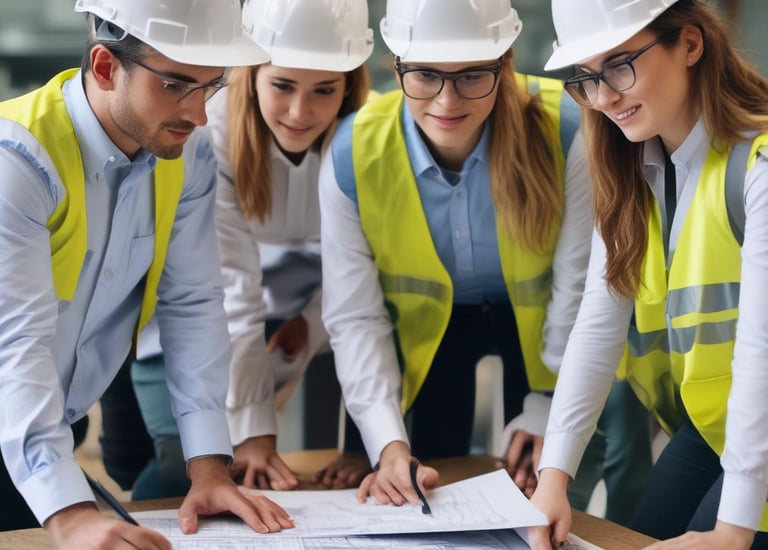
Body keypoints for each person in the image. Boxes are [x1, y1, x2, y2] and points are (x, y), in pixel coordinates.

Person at [0, 0, 297, 545]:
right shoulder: (16, 162)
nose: (199, 114)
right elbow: (16, 345)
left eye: (210, 87)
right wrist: (70, 516)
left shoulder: (186, 156)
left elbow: (193, 303)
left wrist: (209, 467)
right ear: (107, 66)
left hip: (39, 426)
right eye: (177, 85)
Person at [316, 0, 596, 507]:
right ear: (395, 68)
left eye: (471, 76)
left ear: (503, 65)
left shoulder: (569, 127)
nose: (447, 101)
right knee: (430, 476)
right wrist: (389, 446)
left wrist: (547, 405)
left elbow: (578, 282)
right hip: (431, 334)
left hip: (544, 332)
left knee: (541, 479)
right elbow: (355, 317)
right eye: (424, 75)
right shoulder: (352, 153)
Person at [529, 0, 768, 548]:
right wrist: (553, 479)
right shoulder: (632, 171)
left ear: (689, 43)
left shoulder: (757, 166)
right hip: (713, 430)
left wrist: (731, 533)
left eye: (619, 64)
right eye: (585, 78)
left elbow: (761, 348)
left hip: (758, 422)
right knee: (636, 538)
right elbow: (596, 325)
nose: (604, 96)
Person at [128, 0, 374, 499]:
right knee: (183, 465)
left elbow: (369, 269)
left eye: (324, 90)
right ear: (252, 73)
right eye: (282, 85)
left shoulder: (369, 140)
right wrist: (255, 434)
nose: (300, 113)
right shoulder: (207, 133)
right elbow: (229, 288)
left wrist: (313, 318)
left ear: (349, 85)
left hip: (302, 309)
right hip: (193, 312)